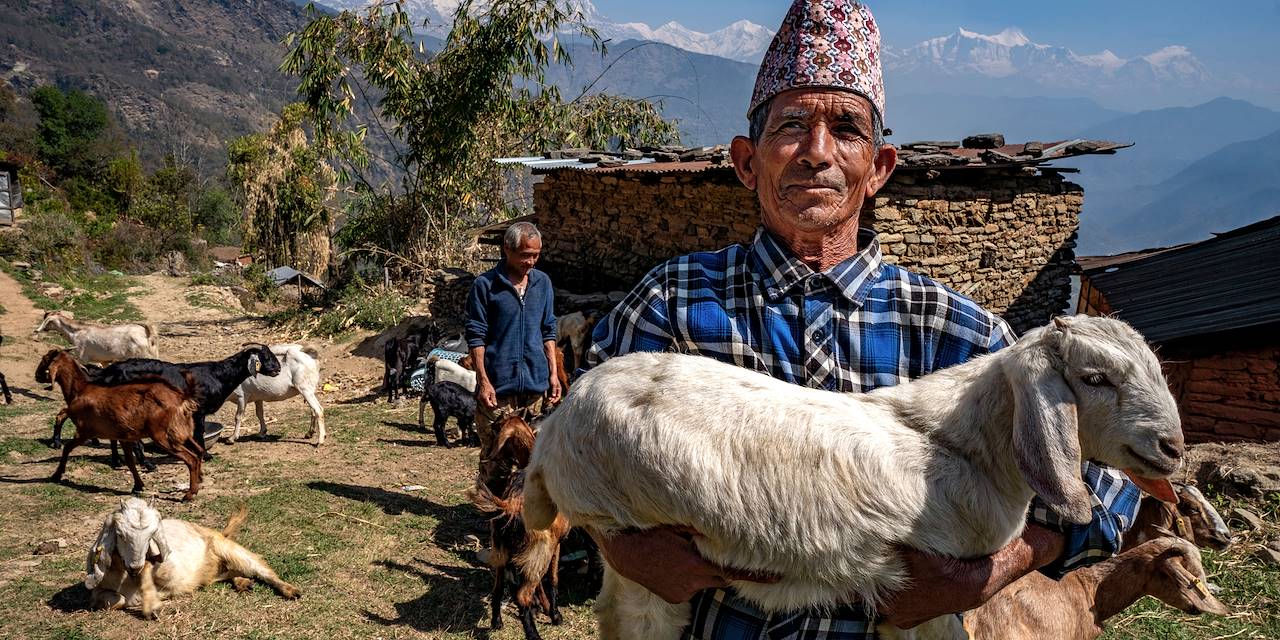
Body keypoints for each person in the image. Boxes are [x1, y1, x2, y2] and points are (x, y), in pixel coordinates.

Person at [582, 1, 1140, 638]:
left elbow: (1111, 484)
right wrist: (623, 547)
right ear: (746, 162)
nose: (816, 153)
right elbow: (579, 444)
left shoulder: (955, 335)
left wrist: (991, 571)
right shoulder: (672, 306)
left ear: (878, 169)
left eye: (846, 129)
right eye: (792, 126)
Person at [465, 221, 561, 487]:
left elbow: (548, 330)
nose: (531, 262)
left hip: (535, 387)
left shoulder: (543, 284)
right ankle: (491, 510)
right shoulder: (485, 286)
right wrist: (484, 381)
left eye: (536, 255)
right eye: (525, 255)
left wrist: (553, 375)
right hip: (498, 389)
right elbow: (476, 336)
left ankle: (525, 509)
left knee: (535, 459)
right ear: (507, 249)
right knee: (496, 458)